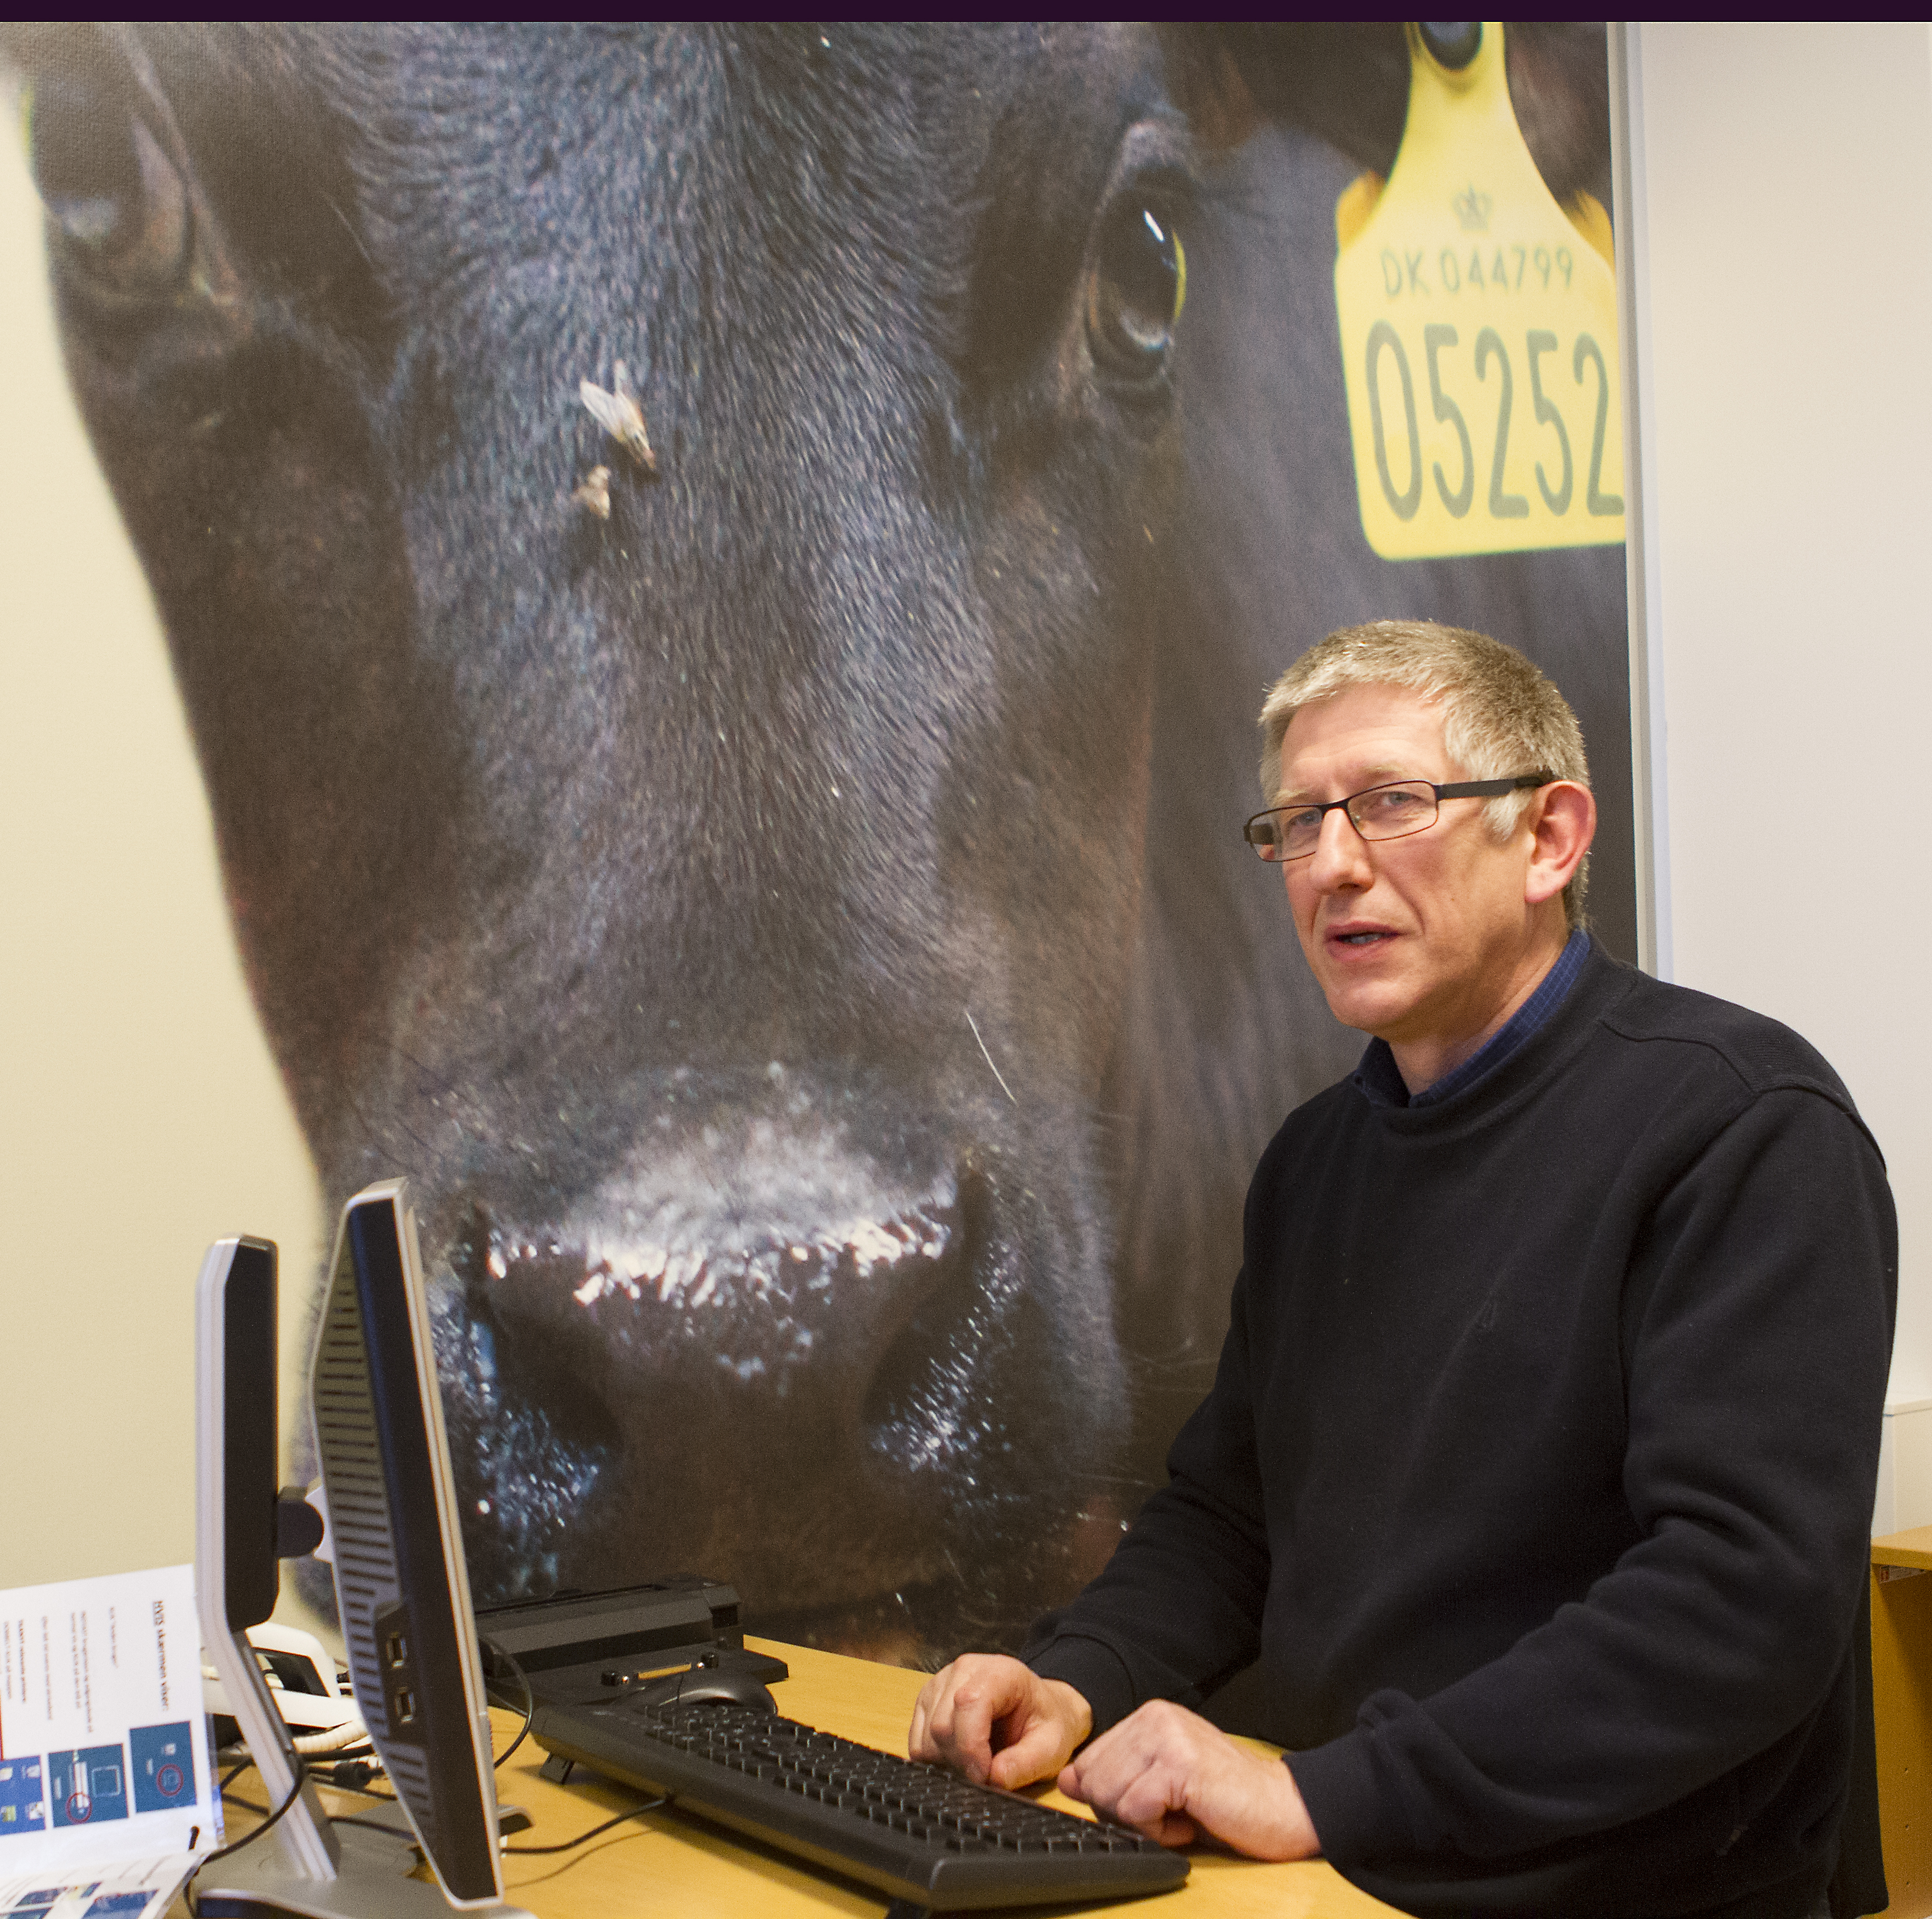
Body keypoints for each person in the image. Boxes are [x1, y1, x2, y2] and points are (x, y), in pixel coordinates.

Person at [909, 620, 1896, 1919]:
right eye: (1294, 824)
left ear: (1546, 838)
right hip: (1333, 1858)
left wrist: (1325, 1794)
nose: (1329, 865)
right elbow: (1229, 1516)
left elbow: (1737, 1605)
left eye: (1386, 804)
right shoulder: (1317, 1159)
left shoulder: (1743, 1127)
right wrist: (1077, 1674)